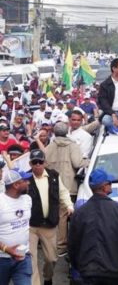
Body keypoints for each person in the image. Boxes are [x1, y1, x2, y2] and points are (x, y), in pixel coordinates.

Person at [68, 168, 118, 285]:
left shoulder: (79, 213)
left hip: (87, 275)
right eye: (109, 183)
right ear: (103, 187)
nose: (111, 185)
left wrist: (78, 267)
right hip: (114, 274)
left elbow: (72, 245)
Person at [27, 149, 74, 285]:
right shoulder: (26, 179)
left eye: (40, 162)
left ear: (45, 162)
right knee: (31, 259)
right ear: (30, 164)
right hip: (31, 225)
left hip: (50, 225)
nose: (37, 165)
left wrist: (69, 206)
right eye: (34, 162)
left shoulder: (54, 176)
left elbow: (63, 192)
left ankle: (48, 278)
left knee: (52, 258)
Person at [44, 122, 88, 256]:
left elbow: (44, 164)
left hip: (52, 185)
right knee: (67, 216)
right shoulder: (72, 145)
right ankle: (62, 245)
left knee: (57, 215)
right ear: (67, 131)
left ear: (54, 132)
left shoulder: (49, 147)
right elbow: (78, 163)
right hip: (69, 186)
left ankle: (55, 244)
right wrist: (87, 161)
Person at [0, 169, 33, 285]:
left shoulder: (28, 200)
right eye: (25, 180)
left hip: (23, 258)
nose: (28, 183)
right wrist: (6, 249)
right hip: (2, 259)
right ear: (16, 185)